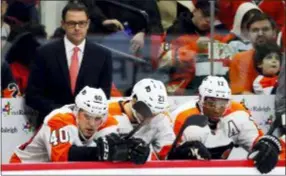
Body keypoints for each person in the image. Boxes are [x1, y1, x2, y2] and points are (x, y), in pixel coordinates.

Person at [169, 76, 284, 174]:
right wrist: (180, 155)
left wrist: (266, 147)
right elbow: (164, 159)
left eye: (222, 102)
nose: (217, 109)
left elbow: (257, 143)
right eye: (211, 102)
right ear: (200, 98)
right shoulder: (182, 117)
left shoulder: (238, 113)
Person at [25, 2, 113, 128]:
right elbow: (32, 96)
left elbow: (104, 97)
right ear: (63, 25)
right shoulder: (44, 53)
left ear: (88, 24)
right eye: (72, 23)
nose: (77, 28)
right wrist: (64, 113)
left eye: (81, 23)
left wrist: (83, 116)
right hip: (52, 125)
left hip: (88, 128)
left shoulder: (103, 55)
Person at [10, 86, 150, 164]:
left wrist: (132, 153)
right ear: (77, 111)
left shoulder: (108, 122)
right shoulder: (59, 118)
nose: (92, 124)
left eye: (97, 119)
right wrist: (101, 153)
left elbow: (115, 151)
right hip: (23, 168)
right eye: (87, 116)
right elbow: (61, 158)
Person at [109, 78, 176, 160]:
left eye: (156, 113)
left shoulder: (161, 116)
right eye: (147, 111)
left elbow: (168, 155)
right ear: (134, 100)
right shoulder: (107, 113)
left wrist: (180, 153)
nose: (151, 118)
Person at [229, 13, 277, 94]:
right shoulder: (239, 59)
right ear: (248, 34)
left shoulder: (283, 59)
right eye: (255, 30)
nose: (260, 34)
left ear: (274, 33)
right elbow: (241, 93)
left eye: (265, 29)